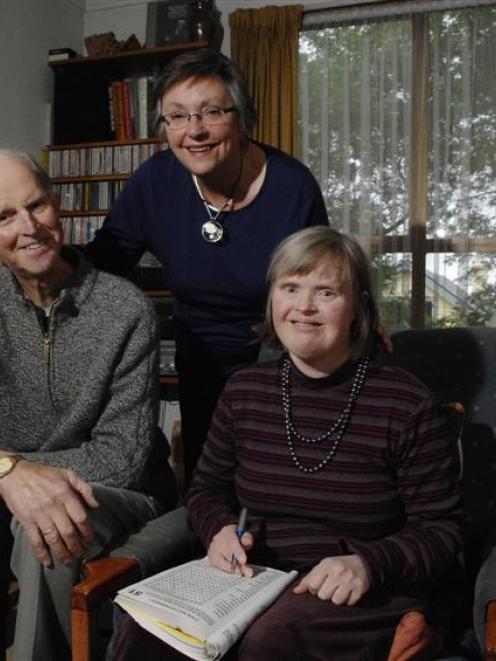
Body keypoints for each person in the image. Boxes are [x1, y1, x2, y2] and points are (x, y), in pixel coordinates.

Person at [112, 226, 463, 660]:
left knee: (270, 640)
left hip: (358, 590)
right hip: (250, 580)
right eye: (290, 288)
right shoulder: (244, 390)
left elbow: (443, 532)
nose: (304, 307)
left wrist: (369, 564)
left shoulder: (406, 404)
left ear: (359, 307)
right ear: (272, 300)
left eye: (327, 293)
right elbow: (205, 491)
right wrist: (218, 528)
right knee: (144, 631)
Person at [85, 48, 328, 487]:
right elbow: (103, 262)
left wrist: (358, 316)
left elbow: (323, 277)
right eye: (176, 116)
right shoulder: (154, 181)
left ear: (241, 117)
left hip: (277, 350)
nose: (193, 131)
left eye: (210, 112)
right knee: (206, 478)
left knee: (273, 479)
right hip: (197, 349)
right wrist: (34, 258)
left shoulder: (293, 186)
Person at [0, 150, 176, 661]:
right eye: (5, 216)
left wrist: (23, 476)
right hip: (10, 481)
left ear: (60, 205)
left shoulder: (125, 310)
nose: (29, 227)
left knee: (50, 525)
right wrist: (11, 473)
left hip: (126, 495)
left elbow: (120, 458)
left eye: (36, 206)